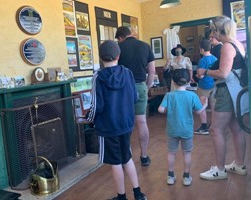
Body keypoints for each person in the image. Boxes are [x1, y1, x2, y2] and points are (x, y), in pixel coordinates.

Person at [86, 40, 147, 200]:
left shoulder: (97, 77)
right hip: (126, 125)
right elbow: (135, 97)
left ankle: (121, 197)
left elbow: (96, 106)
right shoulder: (128, 73)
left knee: (115, 162)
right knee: (127, 158)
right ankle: (138, 194)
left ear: (101, 57)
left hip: (108, 127)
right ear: (118, 56)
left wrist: (89, 119)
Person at [198, 16, 248, 180]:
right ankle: (239, 164)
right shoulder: (238, 44)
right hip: (238, 92)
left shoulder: (227, 46)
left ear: (219, 31)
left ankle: (219, 169)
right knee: (236, 129)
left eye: (213, 31)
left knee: (216, 129)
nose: (212, 35)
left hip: (227, 91)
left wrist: (204, 71)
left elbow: (223, 74)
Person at [158, 69, 208, 186]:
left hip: (172, 129)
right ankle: (186, 177)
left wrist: (166, 109)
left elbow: (160, 109)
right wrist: (205, 105)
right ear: (188, 82)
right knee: (187, 153)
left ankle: (170, 176)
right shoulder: (192, 95)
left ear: (173, 82)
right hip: (187, 130)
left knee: (171, 153)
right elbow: (198, 111)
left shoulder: (169, 95)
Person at [115, 26, 156, 166]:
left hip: (123, 88)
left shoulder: (119, 47)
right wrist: (147, 86)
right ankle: (144, 156)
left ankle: (125, 157)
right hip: (140, 86)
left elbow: (114, 70)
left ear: (120, 37)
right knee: (142, 122)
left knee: (125, 123)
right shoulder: (145, 46)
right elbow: (152, 71)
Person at [194, 39, 217, 135]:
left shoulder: (202, 61)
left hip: (204, 86)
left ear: (202, 49)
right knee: (213, 107)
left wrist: (197, 76)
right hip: (214, 85)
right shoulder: (215, 59)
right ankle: (214, 126)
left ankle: (204, 127)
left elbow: (201, 75)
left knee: (202, 106)